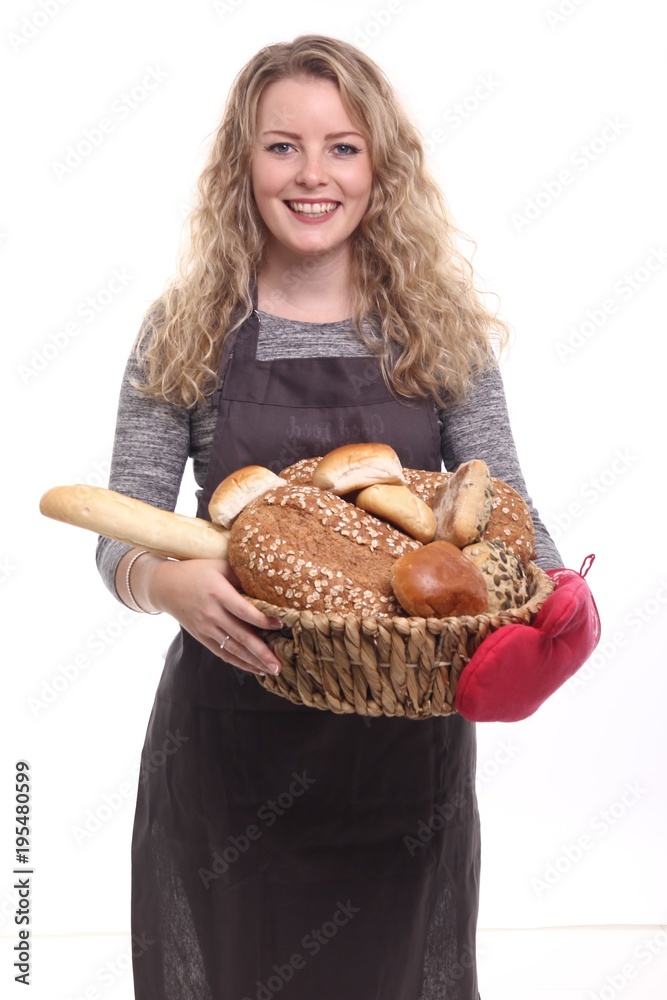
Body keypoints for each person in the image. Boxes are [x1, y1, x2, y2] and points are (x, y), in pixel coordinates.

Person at [95, 34, 582, 1000]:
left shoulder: (434, 329)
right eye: (282, 146)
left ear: (378, 166)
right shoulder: (186, 327)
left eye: (342, 147)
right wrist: (166, 580)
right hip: (230, 745)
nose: (312, 175)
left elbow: (511, 520)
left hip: (400, 758)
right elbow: (123, 527)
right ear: (243, 162)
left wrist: (555, 615)